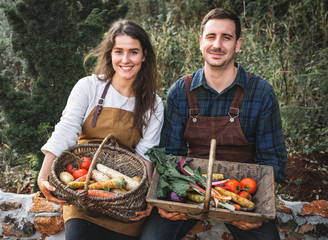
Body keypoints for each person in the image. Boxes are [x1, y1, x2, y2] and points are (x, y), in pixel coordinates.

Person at [141, 8, 287, 240]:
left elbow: (272, 160)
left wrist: (259, 210)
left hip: (241, 194)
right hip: (191, 188)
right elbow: (170, 154)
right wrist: (167, 199)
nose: (217, 45)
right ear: (201, 42)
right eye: (211, 37)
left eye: (226, 37)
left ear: (237, 44)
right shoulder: (181, 91)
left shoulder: (261, 92)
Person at [37, 20, 164, 240]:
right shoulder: (89, 87)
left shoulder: (153, 103)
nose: (125, 60)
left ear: (144, 55)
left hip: (123, 198)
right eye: (119, 52)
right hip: (82, 193)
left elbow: (146, 156)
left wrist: (145, 198)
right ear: (110, 54)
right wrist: (43, 175)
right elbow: (66, 130)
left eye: (133, 52)